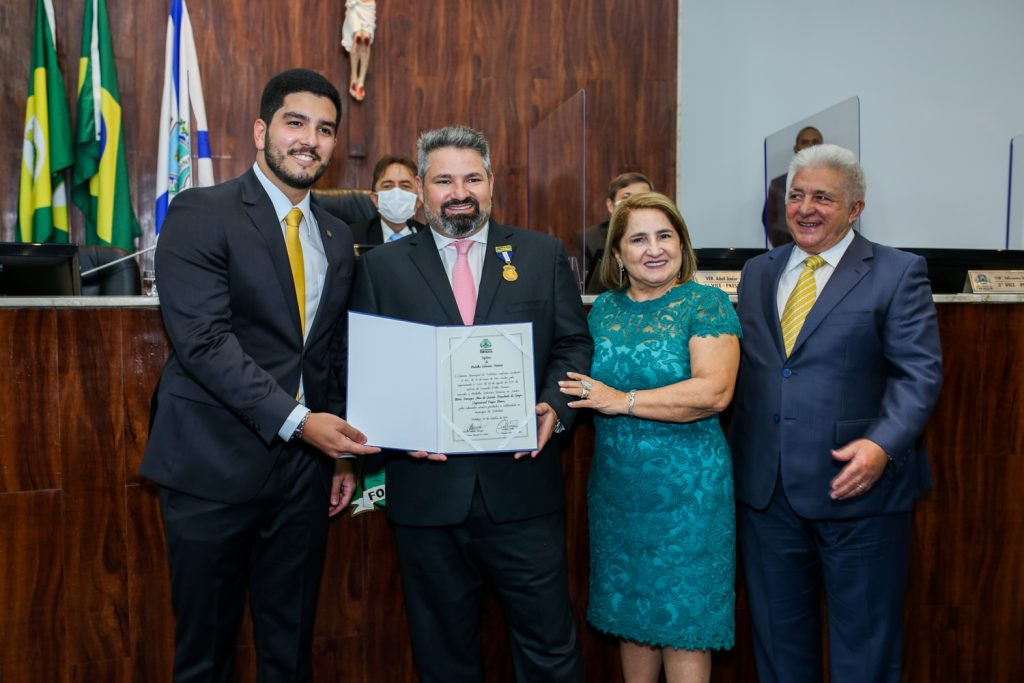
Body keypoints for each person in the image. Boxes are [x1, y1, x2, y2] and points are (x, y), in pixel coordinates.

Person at [140, 68, 379, 682]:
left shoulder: (334, 232)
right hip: (210, 469)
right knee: (206, 654)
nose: (311, 140)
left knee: (289, 649)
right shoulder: (201, 212)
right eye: (295, 123)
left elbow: (327, 354)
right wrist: (302, 424)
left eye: (326, 129)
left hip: (303, 478)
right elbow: (204, 342)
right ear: (260, 130)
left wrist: (343, 457)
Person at [350, 124, 592, 682]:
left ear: (490, 183)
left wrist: (556, 407)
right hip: (427, 497)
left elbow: (574, 343)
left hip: (522, 491)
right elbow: (362, 364)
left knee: (549, 650)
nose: (459, 191)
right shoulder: (380, 268)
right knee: (443, 657)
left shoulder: (540, 253)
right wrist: (396, 430)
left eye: (472, 178)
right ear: (420, 189)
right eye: (443, 180)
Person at [730, 144, 943, 683]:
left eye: (822, 197)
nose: (805, 208)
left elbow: (918, 374)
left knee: (864, 649)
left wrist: (881, 445)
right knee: (778, 646)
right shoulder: (758, 272)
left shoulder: (897, 272)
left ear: (855, 208)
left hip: (859, 489)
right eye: (796, 195)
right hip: (768, 493)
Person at [562, 192, 740, 683]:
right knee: (632, 620)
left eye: (665, 235)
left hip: (689, 495)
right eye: (638, 239)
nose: (654, 248)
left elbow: (714, 391)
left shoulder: (706, 301)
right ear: (617, 254)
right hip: (618, 492)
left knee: (683, 624)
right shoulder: (602, 311)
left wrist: (621, 400)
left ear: (682, 244)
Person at [583, 172, 654, 294]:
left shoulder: (662, 235)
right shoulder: (588, 239)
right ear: (611, 205)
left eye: (643, 197)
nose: (635, 203)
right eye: (627, 197)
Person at [348, 155, 426, 247]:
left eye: (405, 186)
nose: (397, 193)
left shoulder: (430, 239)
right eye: (387, 186)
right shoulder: (351, 236)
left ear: (419, 200)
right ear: (375, 199)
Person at [764, 126, 823, 247]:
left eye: (815, 142)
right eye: (805, 142)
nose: (810, 146)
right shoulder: (778, 184)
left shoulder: (836, 183)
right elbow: (770, 221)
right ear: (796, 148)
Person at [341, 0, 376, 101]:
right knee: (357, 37)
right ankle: (354, 78)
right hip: (354, 5)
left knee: (366, 40)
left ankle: (360, 80)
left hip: (368, 5)